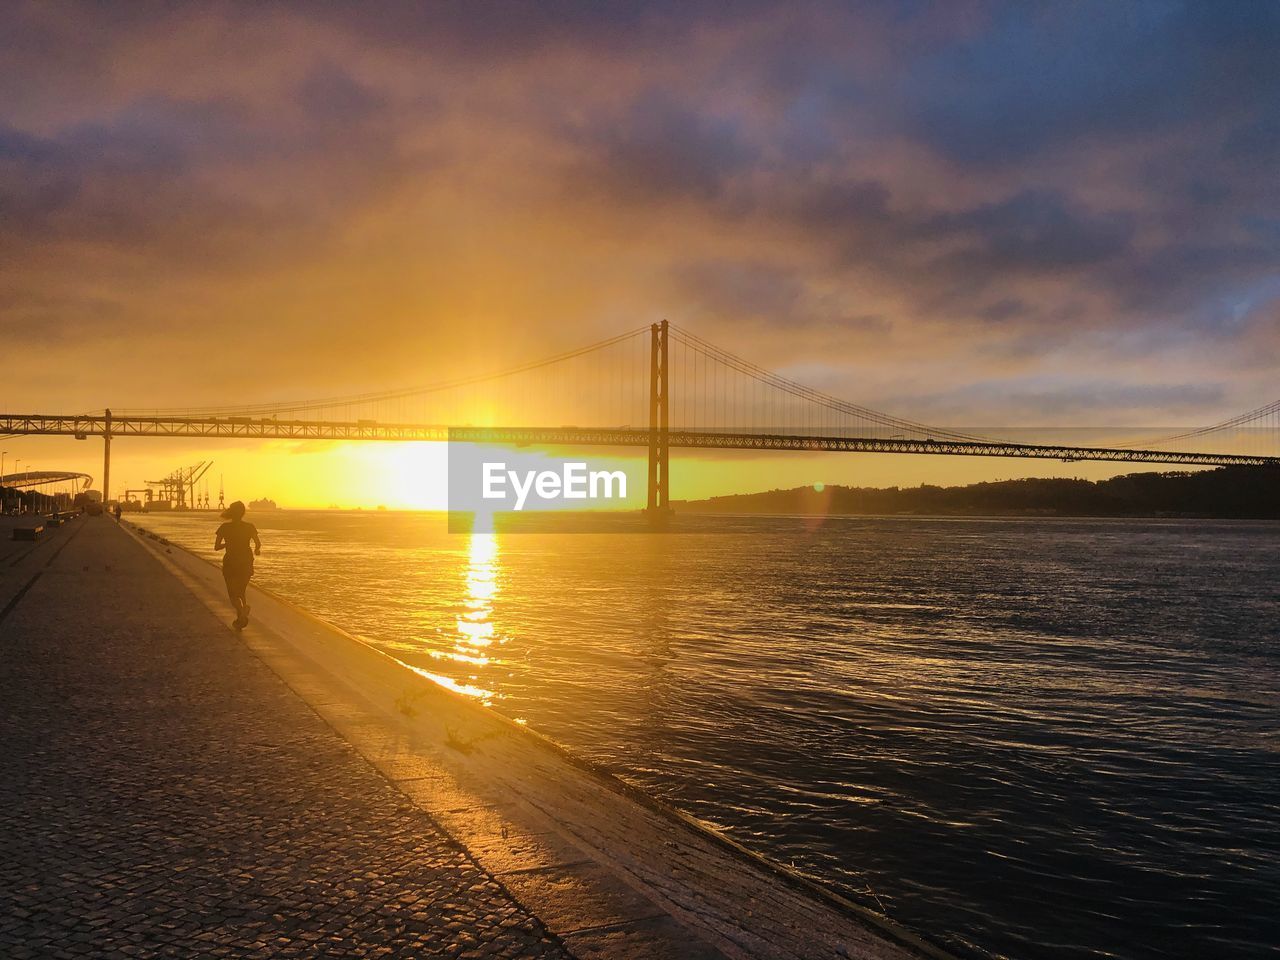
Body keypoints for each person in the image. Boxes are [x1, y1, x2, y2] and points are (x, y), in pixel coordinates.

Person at [214, 500, 261, 629]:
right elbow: (257, 543)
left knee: (233, 593)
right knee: (241, 591)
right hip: (246, 561)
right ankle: (241, 616)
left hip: (231, 561)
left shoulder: (224, 527)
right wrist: (257, 550)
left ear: (231, 512)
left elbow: (216, 547)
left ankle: (241, 612)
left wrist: (227, 544)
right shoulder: (250, 526)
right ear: (243, 513)